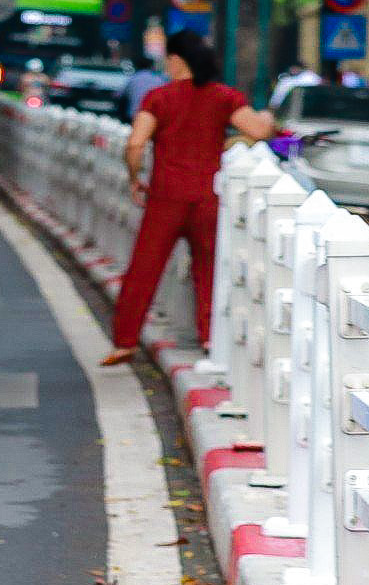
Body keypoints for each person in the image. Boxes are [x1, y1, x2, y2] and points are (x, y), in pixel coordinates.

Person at [104, 32, 275, 364]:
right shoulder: (224, 97)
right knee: (209, 270)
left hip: (166, 196)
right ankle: (210, 339)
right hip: (207, 198)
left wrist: (134, 177)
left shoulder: (159, 98)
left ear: (175, 60)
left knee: (144, 269)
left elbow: (136, 143)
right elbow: (258, 131)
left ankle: (124, 341)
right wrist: (245, 132)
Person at [120, 48, 168, 119]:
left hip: (134, 116)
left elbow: (120, 95)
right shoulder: (160, 79)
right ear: (152, 66)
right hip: (155, 117)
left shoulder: (134, 78)